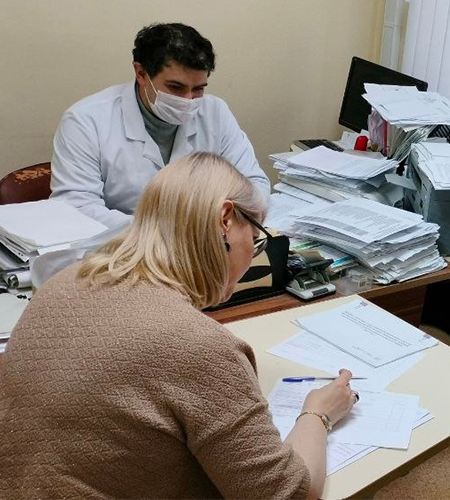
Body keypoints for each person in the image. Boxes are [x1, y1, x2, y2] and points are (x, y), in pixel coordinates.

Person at [0, 153, 353, 498]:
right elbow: (287, 492)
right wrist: (318, 413)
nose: (253, 252)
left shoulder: (65, 281)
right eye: (257, 237)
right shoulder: (198, 346)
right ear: (226, 220)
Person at [50, 23, 269, 228]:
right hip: (121, 246)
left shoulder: (215, 113)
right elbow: (77, 208)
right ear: (141, 74)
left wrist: (224, 220)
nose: (188, 100)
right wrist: (166, 233)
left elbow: (253, 186)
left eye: (199, 89)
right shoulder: (85, 121)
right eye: (176, 87)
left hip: (204, 242)